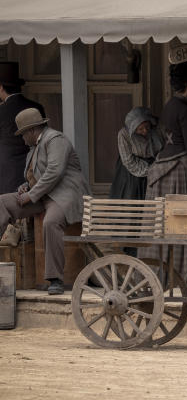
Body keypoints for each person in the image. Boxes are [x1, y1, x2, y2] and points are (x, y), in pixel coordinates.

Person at [0, 108, 90, 294]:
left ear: (32, 131)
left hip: (64, 195)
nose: (22, 139)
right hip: (43, 195)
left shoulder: (56, 140)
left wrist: (31, 195)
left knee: (51, 222)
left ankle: (55, 279)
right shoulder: (34, 148)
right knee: (2, 202)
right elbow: (37, 176)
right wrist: (26, 186)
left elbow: (54, 172)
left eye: (23, 134)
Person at [141, 60, 187, 285]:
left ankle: (159, 274)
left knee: (161, 226)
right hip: (180, 172)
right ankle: (182, 275)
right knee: (184, 224)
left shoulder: (169, 106)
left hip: (160, 171)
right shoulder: (185, 110)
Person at [0, 62, 45, 196]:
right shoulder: (36, 107)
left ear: (1, 87)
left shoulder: (1, 111)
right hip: (33, 170)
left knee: (6, 210)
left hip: (5, 171)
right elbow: (43, 139)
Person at [109, 107, 164, 200]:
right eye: (140, 129)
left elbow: (162, 149)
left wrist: (157, 168)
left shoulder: (156, 130)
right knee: (132, 202)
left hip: (155, 167)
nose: (145, 131)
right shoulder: (123, 134)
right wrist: (150, 171)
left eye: (147, 126)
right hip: (132, 173)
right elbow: (128, 161)